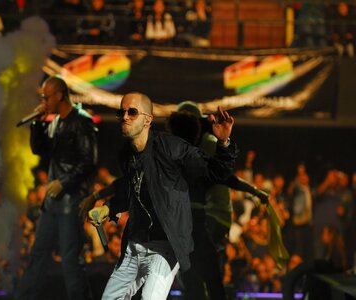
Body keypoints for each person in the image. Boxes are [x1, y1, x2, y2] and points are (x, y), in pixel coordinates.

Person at [80, 92, 237, 299]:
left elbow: (215, 171)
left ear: (148, 120)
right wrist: (108, 207)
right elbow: (131, 187)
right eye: (122, 112)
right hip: (134, 247)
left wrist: (224, 143)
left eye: (132, 112)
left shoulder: (171, 147)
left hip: (165, 247)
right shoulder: (127, 154)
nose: (125, 117)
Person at [167, 101, 269, 300]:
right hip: (204, 219)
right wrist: (224, 143)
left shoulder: (170, 152)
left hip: (192, 222)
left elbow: (223, 174)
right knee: (208, 278)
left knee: (194, 277)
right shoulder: (195, 152)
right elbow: (224, 174)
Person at [16, 76, 98, 300]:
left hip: (70, 202)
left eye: (46, 96)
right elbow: (39, 149)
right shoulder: (55, 121)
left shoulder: (82, 121)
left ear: (60, 95)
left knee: (71, 260)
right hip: (52, 204)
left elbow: (88, 161)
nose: (44, 100)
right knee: (38, 255)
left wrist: (64, 182)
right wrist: (37, 122)